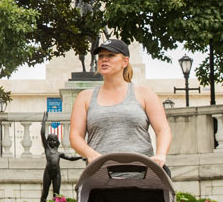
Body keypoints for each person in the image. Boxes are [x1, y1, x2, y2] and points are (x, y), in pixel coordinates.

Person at [68, 38, 172, 167]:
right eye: (101, 56)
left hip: (142, 173)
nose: (104, 59)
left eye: (111, 55)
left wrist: (161, 154)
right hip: (101, 174)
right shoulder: (84, 97)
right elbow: (75, 136)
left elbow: (163, 130)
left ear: (125, 61)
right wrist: (91, 154)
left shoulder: (145, 94)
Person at [40, 114, 83, 202]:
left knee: (57, 194)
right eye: (50, 140)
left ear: (57, 142)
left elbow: (70, 158)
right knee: (45, 192)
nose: (52, 142)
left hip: (57, 174)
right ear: (48, 141)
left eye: (54, 140)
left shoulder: (59, 153)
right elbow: (42, 134)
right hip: (48, 173)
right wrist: (44, 121)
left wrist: (80, 157)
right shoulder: (47, 149)